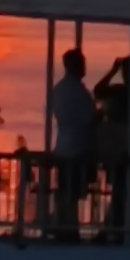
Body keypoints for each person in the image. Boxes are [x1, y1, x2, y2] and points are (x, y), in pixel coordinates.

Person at [49, 45, 96, 234]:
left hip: (63, 146)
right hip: (77, 148)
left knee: (66, 189)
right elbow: (88, 118)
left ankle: (65, 224)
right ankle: (66, 227)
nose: (85, 67)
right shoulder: (77, 91)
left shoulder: (59, 89)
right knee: (71, 191)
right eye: (82, 63)